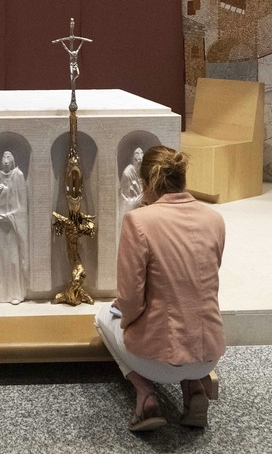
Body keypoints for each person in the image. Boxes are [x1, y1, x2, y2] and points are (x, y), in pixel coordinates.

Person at [95, 145, 226, 431]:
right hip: (208, 356)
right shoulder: (215, 219)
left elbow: (130, 300)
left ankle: (146, 396)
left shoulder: (139, 221)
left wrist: (125, 317)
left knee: (103, 317)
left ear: (148, 184)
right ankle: (194, 391)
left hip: (156, 362)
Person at [0, 151, 29, 304]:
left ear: (13, 161)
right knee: (2, 259)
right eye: (3, 157)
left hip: (13, 226)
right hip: (0, 226)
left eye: (9, 158)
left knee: (13, 259)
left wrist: (11, 216)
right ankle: (3, 293)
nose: (6, 161)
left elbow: (22, 205)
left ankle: (16, 293)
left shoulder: (18, 175)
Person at [116, 147, 145, 251]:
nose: (140, 156)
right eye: (137, 154)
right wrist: (135, 202)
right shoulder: (127, 174)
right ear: (132, 158)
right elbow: (123, 199)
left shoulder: (141, 172)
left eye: (141, 153)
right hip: (132, 212)